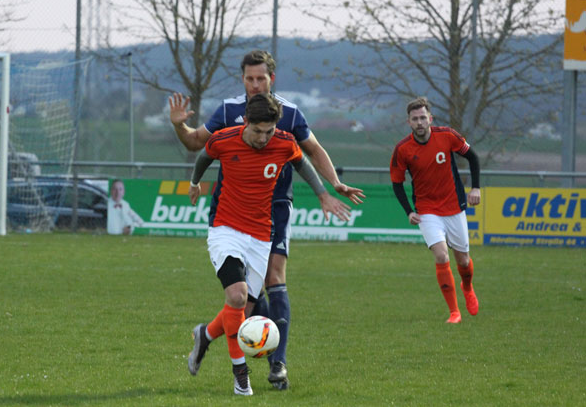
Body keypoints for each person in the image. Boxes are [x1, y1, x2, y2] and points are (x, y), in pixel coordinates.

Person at [170, 49, 364, 389]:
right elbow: (196, 145)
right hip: (232, 209)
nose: (256, 84)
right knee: (242, 298)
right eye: (250, 78)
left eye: (262, 78)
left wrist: (332, 186)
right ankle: (229, 357)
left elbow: (312, 153)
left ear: (271, 78)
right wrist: (178, 124)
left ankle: (278, 364)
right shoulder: (229, 111)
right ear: (242, 79)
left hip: (275, 207)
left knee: (270, 282)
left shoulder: (289, 114)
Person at [390, 97, 480, 324]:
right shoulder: (402, 149)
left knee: (463, 260)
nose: (419, 122)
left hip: (454, 207)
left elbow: (473, 157)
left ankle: (467, 287)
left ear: (430, 119)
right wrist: (408, 211)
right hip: (427, 210)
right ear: (409, 122)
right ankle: (454, 312)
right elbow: (397, 183)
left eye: (423, 117)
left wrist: (476, 188)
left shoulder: (447, 136)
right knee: (441, 255)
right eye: (415, 119)